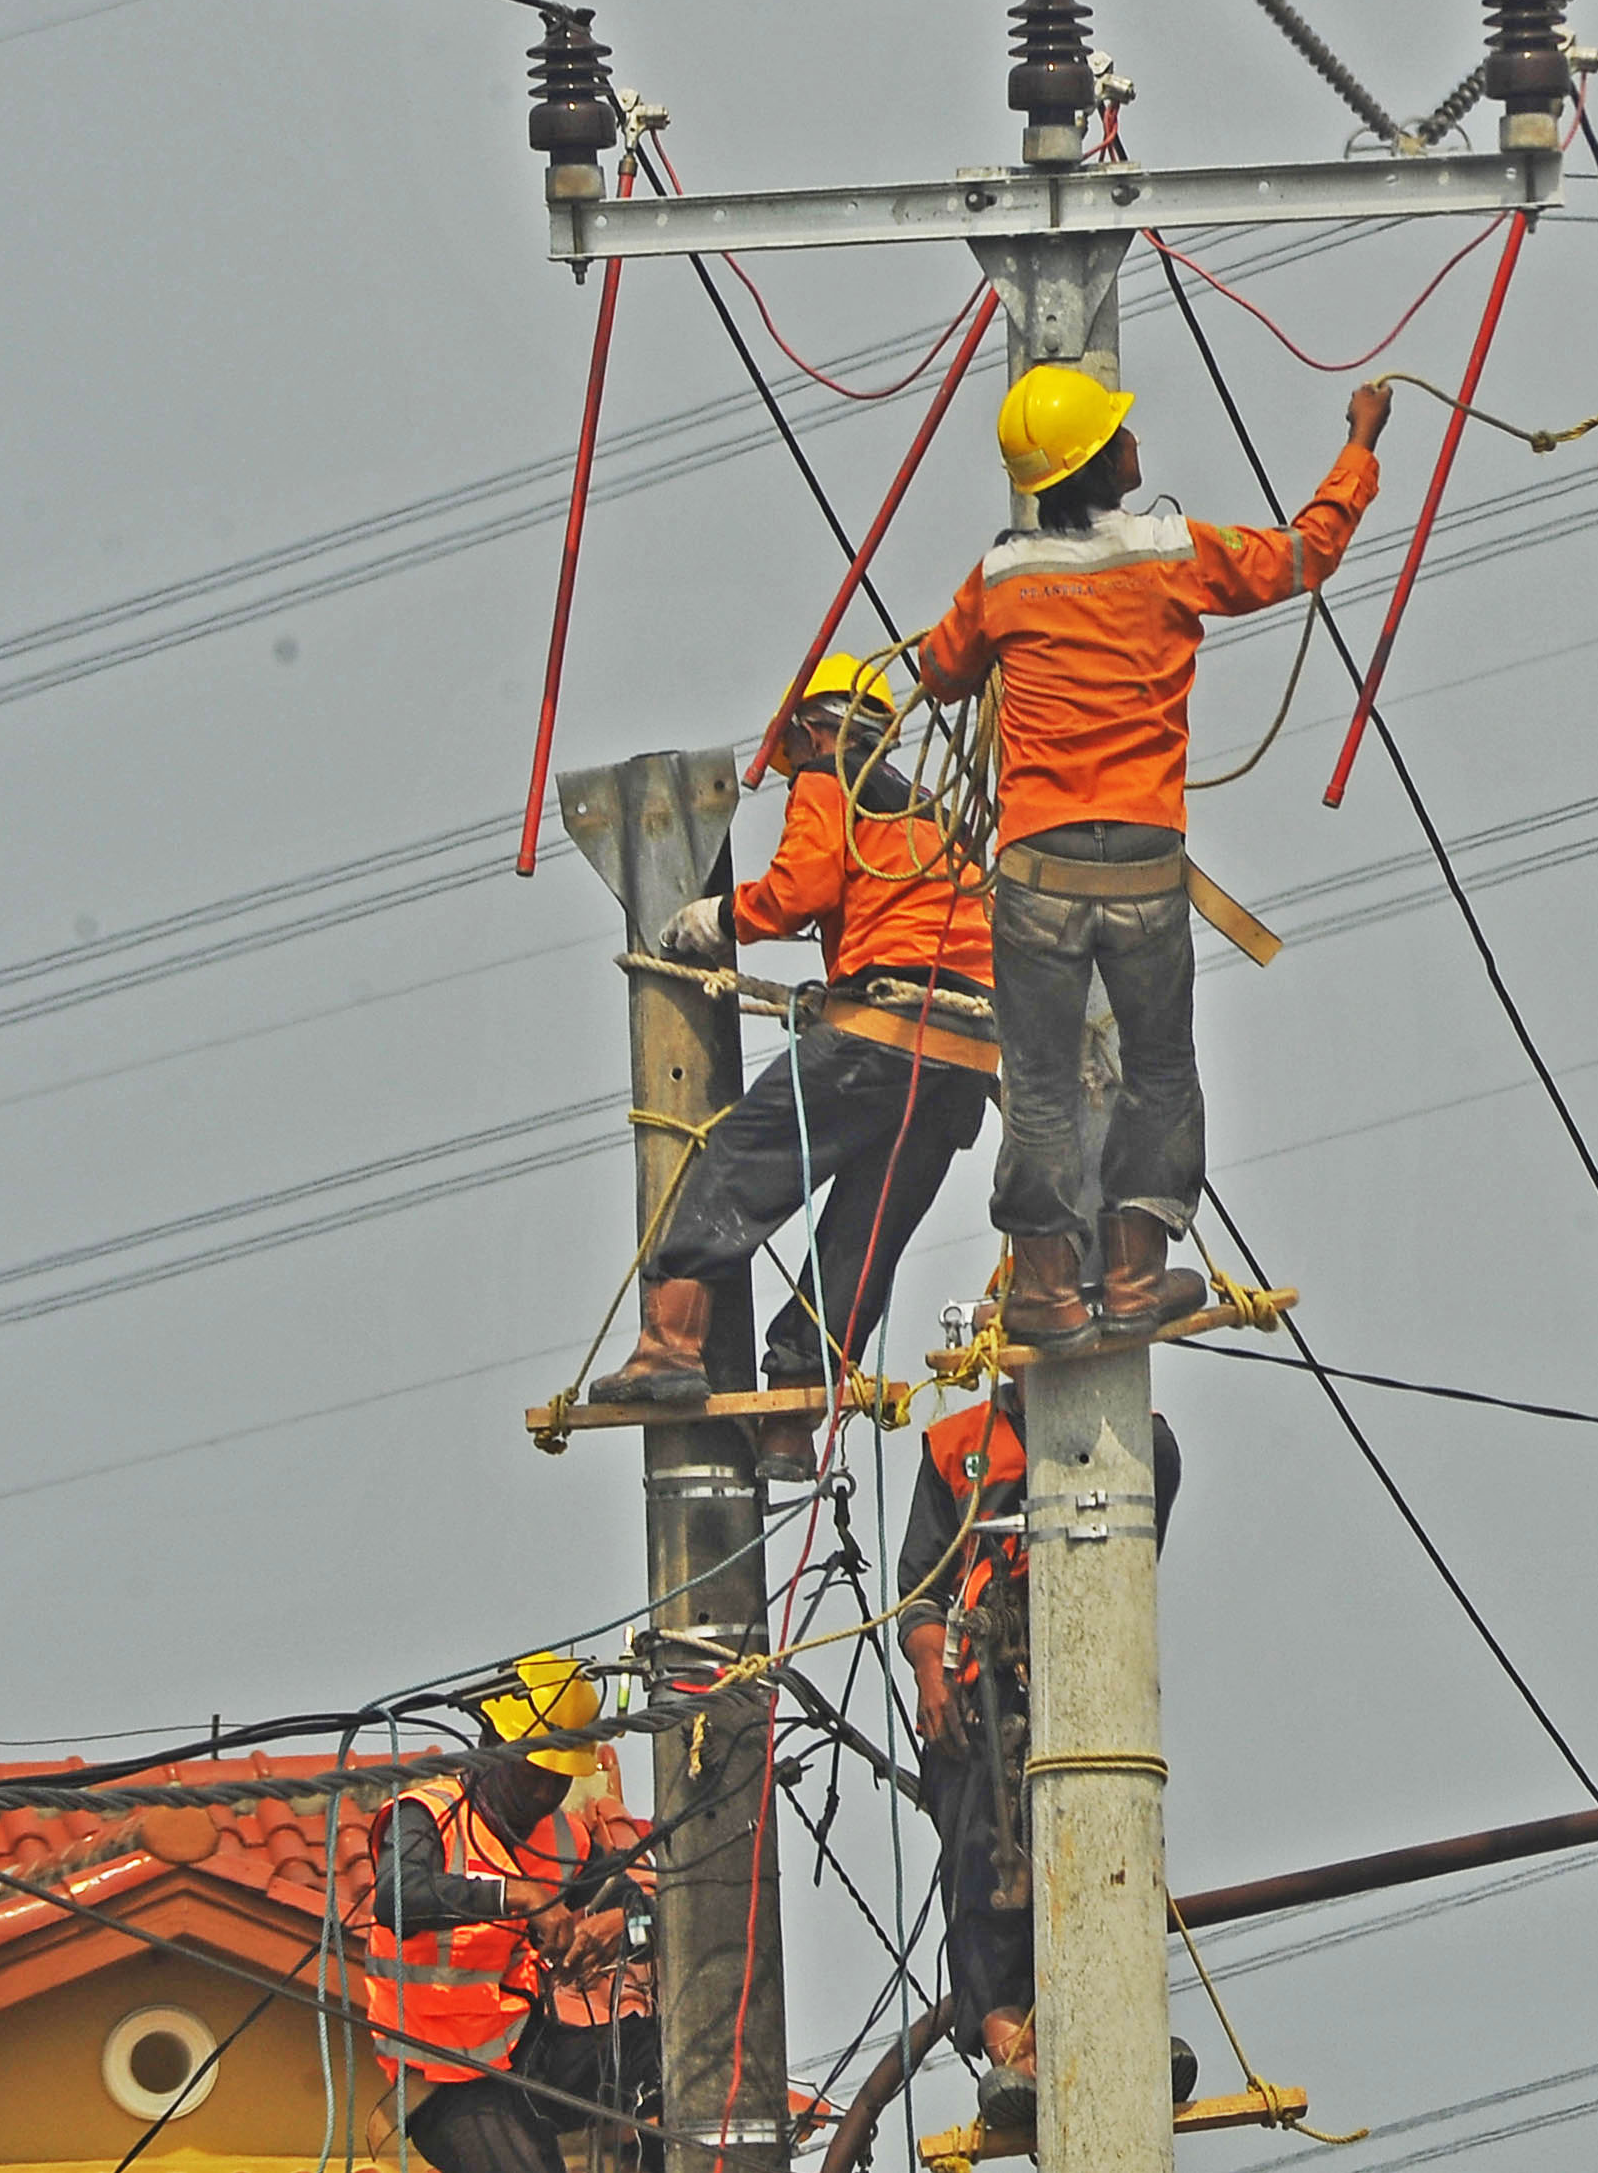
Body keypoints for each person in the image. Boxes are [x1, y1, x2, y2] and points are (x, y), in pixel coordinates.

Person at [911, 365, 1388, 1353]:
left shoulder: (1000, 578)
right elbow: (1304, 555)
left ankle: (1047, 1291)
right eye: (1119, 433)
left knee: (1040, 1081)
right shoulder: (1174, 553)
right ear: (1099, 462)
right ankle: (1132, 1277)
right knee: (1159, 1068)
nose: (1136, 441)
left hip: (1037, 870)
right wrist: (1360, 446)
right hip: (1140, 866)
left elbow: (941, 671)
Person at [588, 653, 1001, 1481]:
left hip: (881, 1035)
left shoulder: (830, 779)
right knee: (864, 1233)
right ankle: (790, 1419)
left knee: (741, 1164)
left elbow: (801, 887)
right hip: (964, 1057)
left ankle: (670, 1346)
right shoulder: (935, 814)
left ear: (815, 730)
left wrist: (724, 917)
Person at [899, 1377, 1186, 2130]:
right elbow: (920, 1592)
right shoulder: (957, 1449)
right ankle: (1011, 2044)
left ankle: (1119, 2027)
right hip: (982, 1694)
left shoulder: (1135, 1441)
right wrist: (932, 1674)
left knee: (1107, 1853)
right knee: (985, 1862)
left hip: (1085, 1690)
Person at [352, 1653, 656, 2173]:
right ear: (494, 1746)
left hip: (528, 2055)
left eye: (560, 1779)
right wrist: (518, 1896)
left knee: (674, 2051)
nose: (545, 1793)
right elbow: (398, 1898)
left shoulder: (564, 1837)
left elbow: (647, 1910)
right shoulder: (426, 1816)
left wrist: (627, 1924)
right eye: (535, 1772)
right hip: (446, 2081)